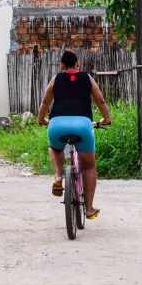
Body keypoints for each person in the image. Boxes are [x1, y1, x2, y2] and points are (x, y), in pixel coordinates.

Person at [36, 50, 112, 220]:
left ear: (61, 66)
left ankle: (57, 177)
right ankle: (90, 209)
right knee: (90, 166)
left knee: (55, 148)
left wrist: (41, 119)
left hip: (57, 124)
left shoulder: (55, 79)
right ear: (78, 63)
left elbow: (45, 102)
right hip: (83, 126)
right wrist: (106, 119)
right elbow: (100, 101)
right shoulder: (88, 78)